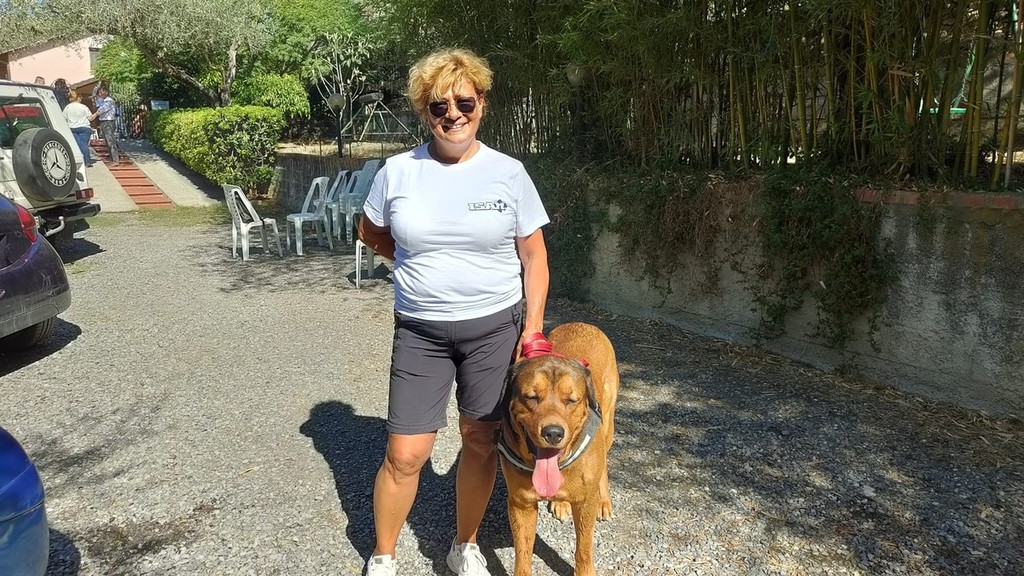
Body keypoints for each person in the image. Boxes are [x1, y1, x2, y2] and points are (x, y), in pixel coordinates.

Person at [358, 48, 550, 576]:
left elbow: (534, 257)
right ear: (425, 113)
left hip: (494, 330)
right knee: (405, 453)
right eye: (439, 106)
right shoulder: (398, 171)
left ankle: (463, 545)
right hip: (420, 332)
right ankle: (383, 554)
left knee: (480, 440)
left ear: (482, 103)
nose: (454, 115)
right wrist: (411, 261)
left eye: (464, 102)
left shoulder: (508, 173)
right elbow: (370, 231)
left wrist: (533, 329)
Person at [63, 90, 94, 167]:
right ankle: (87, 160)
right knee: (84, 144)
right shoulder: (84, 107)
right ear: (78, 97)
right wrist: (96, 114)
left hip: (72, 127)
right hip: (84, 127)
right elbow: (90, 118)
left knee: (77, 144)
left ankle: (77, 160)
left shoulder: (67, 107)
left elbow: (64, 118)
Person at [92, 85, 120, 166]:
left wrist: (95, 115)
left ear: (106, 92)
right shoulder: (102, 100)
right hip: (103, 121)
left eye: (101, 92)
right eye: (99, 92)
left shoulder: (109, 101)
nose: (100, 94)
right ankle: (112, 158)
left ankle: (115, 160)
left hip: (108, 121)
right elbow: (97, 105)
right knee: (107, 141)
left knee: (110, 140)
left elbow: (103, 109)